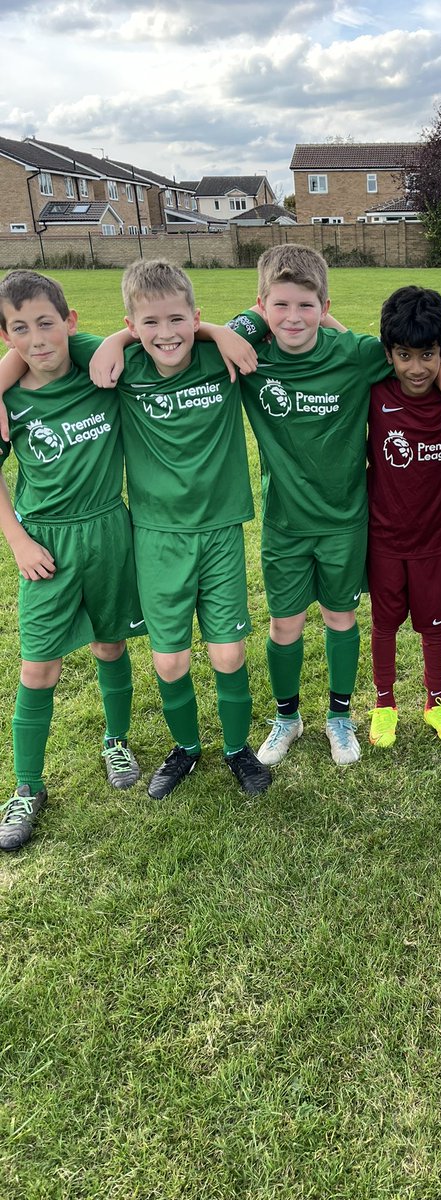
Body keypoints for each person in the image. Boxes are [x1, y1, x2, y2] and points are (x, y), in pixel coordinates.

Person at [229, 247, 441, 768]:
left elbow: (427, 351)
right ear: (261, 306)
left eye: (307, 306)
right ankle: (287, 717)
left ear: (325, 305)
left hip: (346, 521)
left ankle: (340, 717)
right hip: (285, 523)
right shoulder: (249, 357)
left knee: (341, 617)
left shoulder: (356, 353)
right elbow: (184, 338)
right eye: (280, 306)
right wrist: (226, 330)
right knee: (284, 624)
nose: (293, 317)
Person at [74, 259, 270, 800]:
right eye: (151, 323)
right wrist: (116, 339)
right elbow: (36, 346)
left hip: (221, 529)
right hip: (157, 535)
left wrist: (219, 332)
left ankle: (236, 749)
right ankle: (185, 746)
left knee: (228, 653)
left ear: (195, 317)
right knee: (170, 657)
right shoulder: (122, 363)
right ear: (134, 326)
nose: (167, 334)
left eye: (179, 320)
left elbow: (274, 304)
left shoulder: (218, 354)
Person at [0, 270, 143, 850]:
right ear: (5, 336)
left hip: (110, 530)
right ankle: (27, 786)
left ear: (70, 322)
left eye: (46, 323)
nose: (37, 339)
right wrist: (17, 540)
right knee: (39, 666)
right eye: (19, 329)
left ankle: (116, 741)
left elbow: (143, 333)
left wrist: (116, 340)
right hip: (46, 545)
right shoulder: (9, 398)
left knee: (112, 643)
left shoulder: (96, 364)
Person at [366, 286, 441, 749]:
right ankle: (384, 706)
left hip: (436, 537)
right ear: (388, 353)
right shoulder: (375, 389)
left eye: (428, 355)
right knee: (385, 623)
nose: (416, 368)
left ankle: (436, 703)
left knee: (435, 627)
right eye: (404, 355)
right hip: (385, 536)